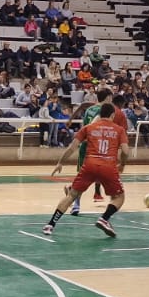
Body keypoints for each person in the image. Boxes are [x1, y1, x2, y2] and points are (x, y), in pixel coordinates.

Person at [41, 101, 128, 239]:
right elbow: (125, 151)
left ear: (100, 114)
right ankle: (104, 219)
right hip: (108, 166)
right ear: (112, 115)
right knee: (119, 197)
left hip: (90, 165)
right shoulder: (119, 130)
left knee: (71, 195)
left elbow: (72, 147)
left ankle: (50, 225)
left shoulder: (88, 128)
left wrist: (60, 163)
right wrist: (122, 164)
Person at [70, 86, 130, 216]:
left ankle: (76, 204)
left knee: (82, 176)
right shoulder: (107, 112)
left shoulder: (89, 109)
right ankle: (112, 202)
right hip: (99, 148)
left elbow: (85, 123)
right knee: (106, 175)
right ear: (108, 98)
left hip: (85, 146)